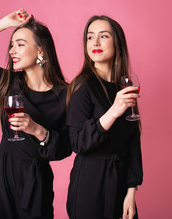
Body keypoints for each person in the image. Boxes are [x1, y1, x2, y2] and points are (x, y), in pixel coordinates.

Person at [0, 8, 71, 219]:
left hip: (37, 181)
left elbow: (65, 148)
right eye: (12, 45)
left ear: (41, 51)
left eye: (20, 44)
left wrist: (37, 130)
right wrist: (4, 23)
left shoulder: (67, 95)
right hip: (1, 174)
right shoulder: (7, 82)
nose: (12, 51)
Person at [66, 15, 143, 219]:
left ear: (117, 43)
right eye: (90, 37)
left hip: (121, 182)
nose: (96, 43)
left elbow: (133, 141)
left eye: (104, 36)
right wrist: (113, 112)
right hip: (91, 183)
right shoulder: (83, 86)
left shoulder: (123, 87)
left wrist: (131, 191)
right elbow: (77, 142)